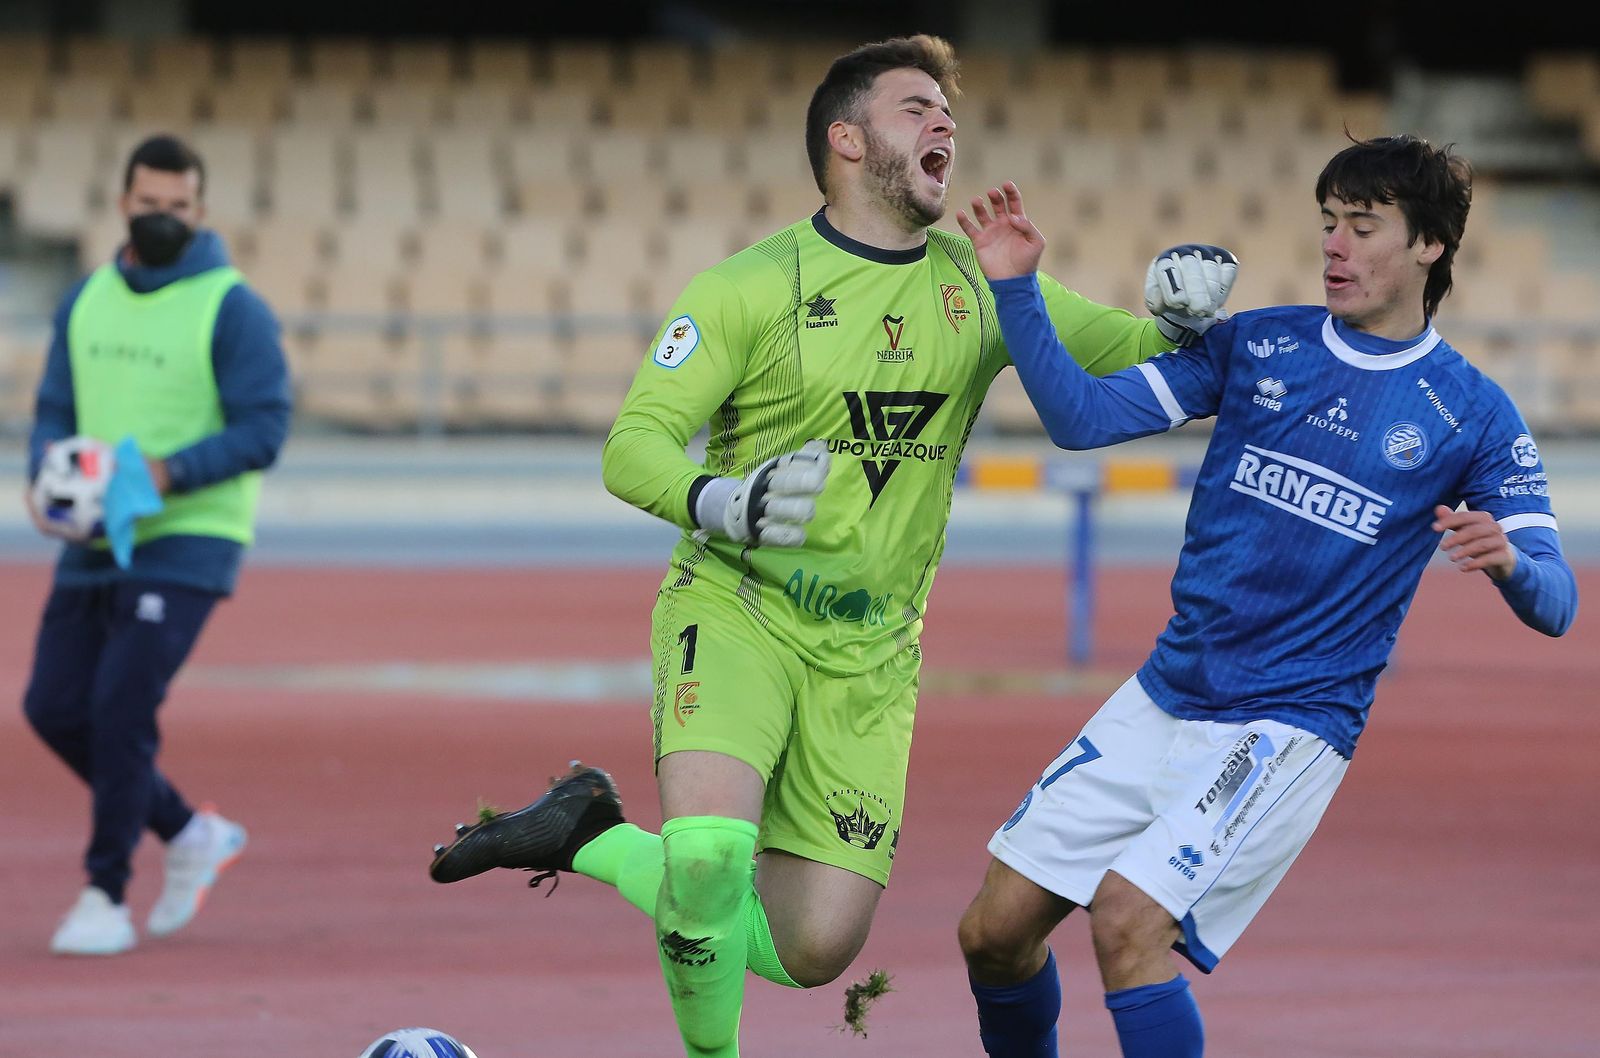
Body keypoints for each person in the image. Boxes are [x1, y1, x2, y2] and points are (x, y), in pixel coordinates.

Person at [426, 35, 1235, 1057]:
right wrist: (722, 502)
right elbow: (630, 447)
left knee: (813, 948)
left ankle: (590, 831)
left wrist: (1190, 314)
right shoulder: (749, 285)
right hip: (737, 609)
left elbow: (1140, 354)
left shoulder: (977, 284)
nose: (944, 122)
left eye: (948, 110)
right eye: (915, 108)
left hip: (872, 657)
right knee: (714, 858)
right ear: (845, 140)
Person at [950, 138, 1578, 1057]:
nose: (1335, 247)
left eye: (1363, 228)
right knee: (992, 935)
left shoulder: (1473, 413)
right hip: (1168, 692)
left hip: (1286, 725)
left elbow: (1558, 600)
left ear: (1430, 246)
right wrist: (1014, 287)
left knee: (1127, 924)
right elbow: (1080, 418)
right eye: (1329, 224)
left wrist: (1514, 567)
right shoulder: (1257, 343)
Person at [23, 134, 292, 956]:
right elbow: (54, 409)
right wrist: (47, 482)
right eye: (151, 204)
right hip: (96, 532)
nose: (165, 217)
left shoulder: (232, 306)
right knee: (53, 706)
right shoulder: (86, 299)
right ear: (123, 204)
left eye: (180, 207)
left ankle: (105, 892)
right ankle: (187, 832)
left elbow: (265, 426)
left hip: (189, 537)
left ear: (201, 212)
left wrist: (168, 476)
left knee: (118, 707)